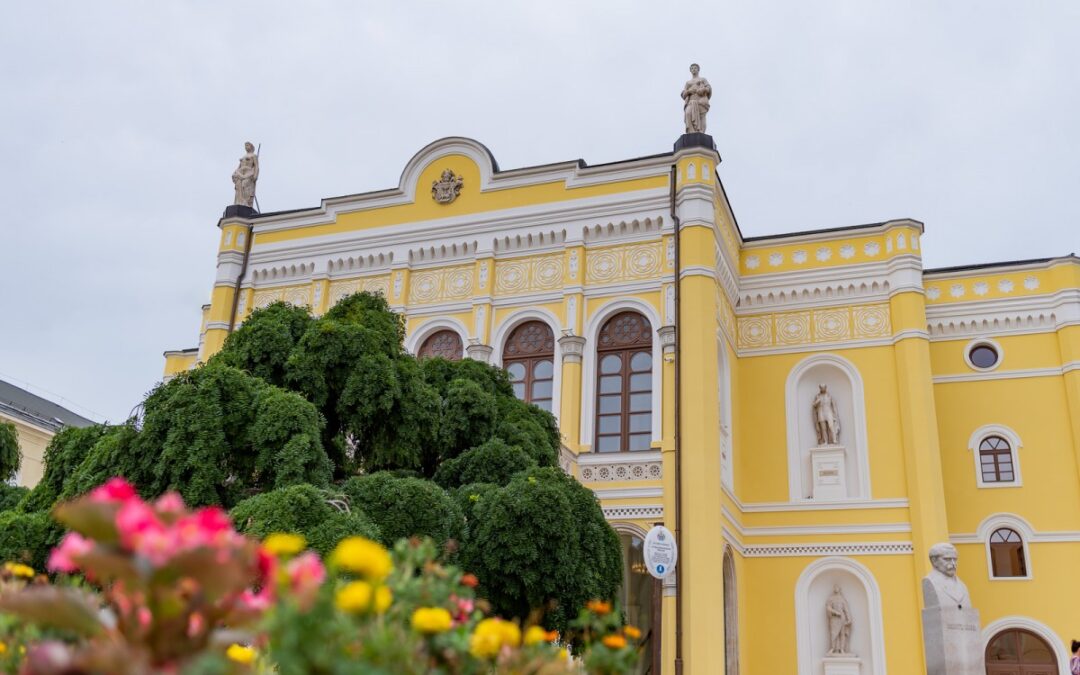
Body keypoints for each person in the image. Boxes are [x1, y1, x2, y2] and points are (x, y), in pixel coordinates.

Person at [681, 63, 712, 134]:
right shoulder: (688, 83)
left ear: (698, 70)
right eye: (692, 68)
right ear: (690, 71)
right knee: (688, 113)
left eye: (695, 68)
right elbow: (683, 94)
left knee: (702, 117)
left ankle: (701, 132)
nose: (693, 69)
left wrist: (702, 90)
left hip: (701, 101)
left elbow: (708, 88)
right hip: (691, 101)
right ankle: (691, 132)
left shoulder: (703, 79)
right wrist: (689, 91)